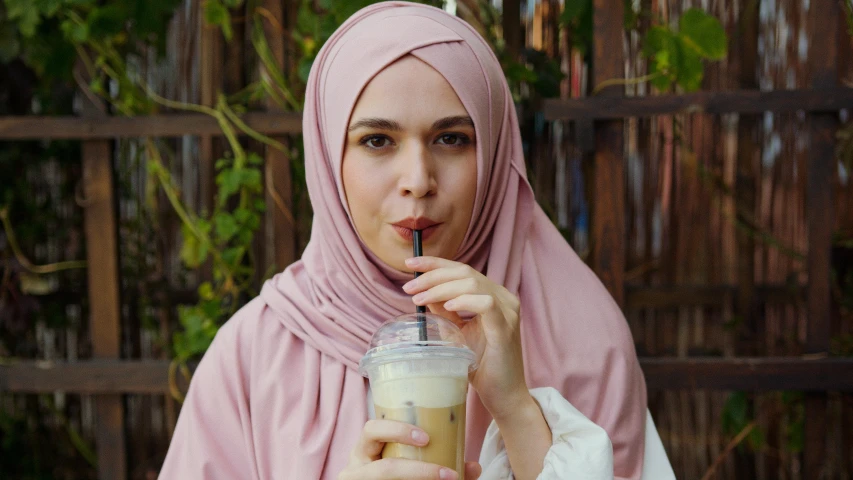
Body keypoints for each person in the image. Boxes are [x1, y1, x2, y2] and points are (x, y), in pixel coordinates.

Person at [159, 2, 647, 479]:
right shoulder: (253, 356)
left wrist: (517, 409)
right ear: (330, 162)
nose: (418, 179)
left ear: (495, 155)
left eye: (452, 138)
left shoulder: (585, 341)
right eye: (377, 140)